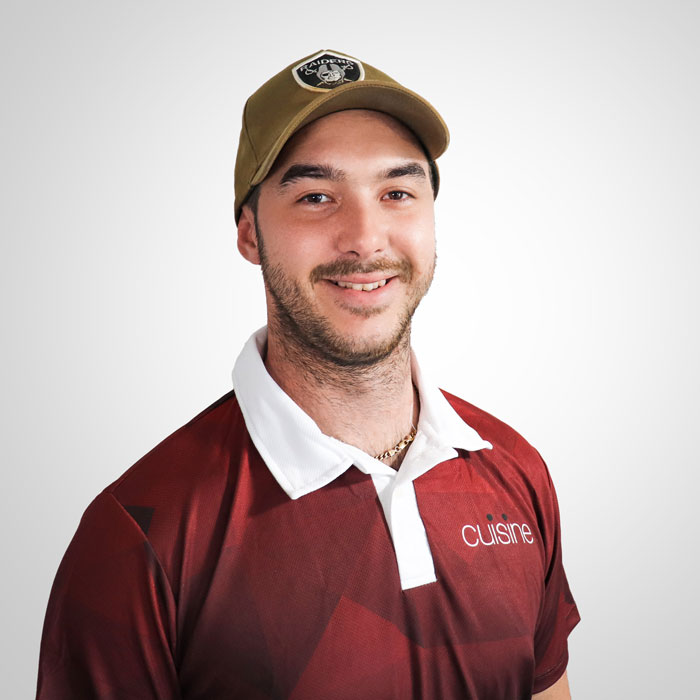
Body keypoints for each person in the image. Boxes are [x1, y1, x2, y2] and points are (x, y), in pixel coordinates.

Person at [37, 49, 580, 699]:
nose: (365, 237)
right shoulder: (141, 534)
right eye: (316, 196)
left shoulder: (515, 469)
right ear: (250, 235)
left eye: (397, 193)